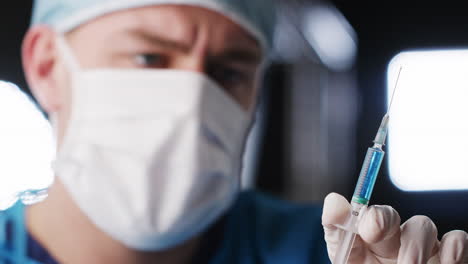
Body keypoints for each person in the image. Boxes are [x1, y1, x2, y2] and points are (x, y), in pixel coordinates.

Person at [0, 0, 466, 263]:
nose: (192, 99)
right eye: (149, 57)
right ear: (46, 66)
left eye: (228, 72)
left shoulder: (327, 250)